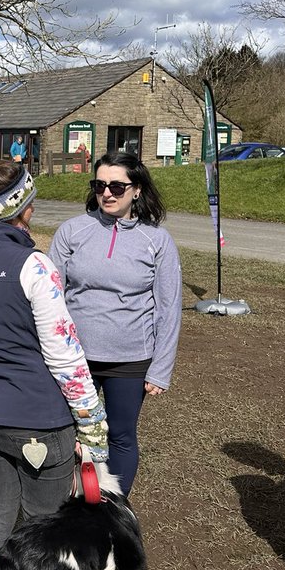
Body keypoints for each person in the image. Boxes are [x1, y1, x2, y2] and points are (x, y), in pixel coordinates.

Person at [0, 160, 108, 556]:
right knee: (45, 529)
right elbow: (65, 357)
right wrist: (92, 424)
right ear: (22, 208)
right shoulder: (35, 267)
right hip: (39, 419)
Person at [48, 150, 181, 496]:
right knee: (68, 432)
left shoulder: (157, 241)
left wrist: (160, 369)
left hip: (130, 360)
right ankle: (69, 503)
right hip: (75, 359)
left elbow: (168, 308)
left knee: (120, 436)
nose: (107, 193)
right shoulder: (73, 231)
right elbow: (48, 297)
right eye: (100, 185)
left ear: (136, 190)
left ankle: (111, 508)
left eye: (117, 187)